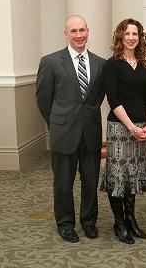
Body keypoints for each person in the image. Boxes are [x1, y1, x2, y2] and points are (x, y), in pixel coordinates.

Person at [36, 15, 106, 242]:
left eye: (82, 30)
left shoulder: (101, 63)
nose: (79, 35)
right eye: (73, 31)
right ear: (66, 33)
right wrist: (57, 123)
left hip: (91, 133)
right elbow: (43, 100)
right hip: (63, 133)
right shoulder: (51, 61)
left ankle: (89, 222)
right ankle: (65, 224)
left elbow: (98, 98)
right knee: (63, 184)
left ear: (88, 31)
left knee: (90, 181)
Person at [100, 19, 146, 244]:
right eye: (127, 33)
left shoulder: (144, 64)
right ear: (120, 36)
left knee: (132, 176)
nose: (132, 37)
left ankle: (131, 220)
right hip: (120, 128)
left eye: (136, 34)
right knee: (118, 176)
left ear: (140, 37)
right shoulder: (112, 64)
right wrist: (132, 127)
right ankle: (119, 223)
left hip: (142, 128)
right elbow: (113, 100)